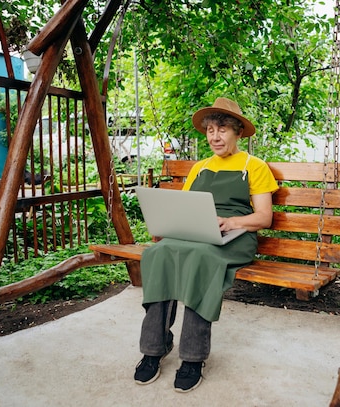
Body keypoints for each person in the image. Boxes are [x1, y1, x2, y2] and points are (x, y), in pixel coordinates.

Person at [134, 97, 279, 392]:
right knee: (158, 254)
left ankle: (193, 357)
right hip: (196, 234)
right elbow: (184, 207)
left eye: (222, 129)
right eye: (210, 129)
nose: (214, 136)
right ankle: (153, 347)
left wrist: (230, 222)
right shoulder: (199, 168)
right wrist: (167, 226)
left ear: (238, 132)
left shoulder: (255, 166)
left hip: (236, 236)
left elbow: (264, 217)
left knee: (201, 259)